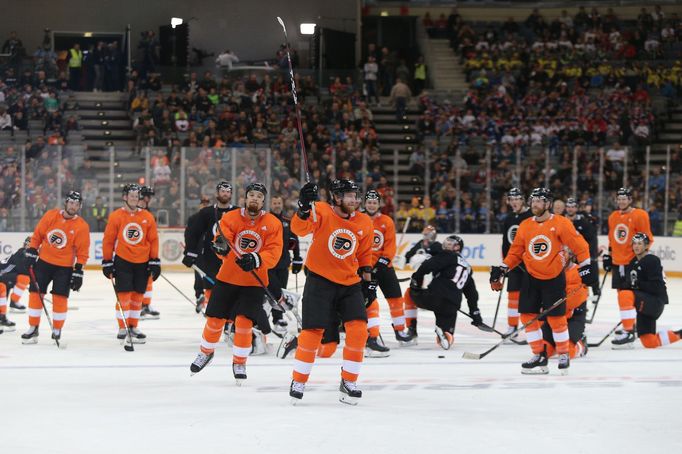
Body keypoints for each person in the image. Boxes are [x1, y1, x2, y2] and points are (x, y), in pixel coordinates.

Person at [490, 187, 596, 375]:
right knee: (527, 318)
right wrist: (503, 268)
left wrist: (587, 266)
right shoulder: (525, 225)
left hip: (554, 278)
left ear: (547, 204)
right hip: (531, 278)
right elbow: (515, 252)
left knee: (556, 319)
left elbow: (580, 246)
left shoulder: (561, 223)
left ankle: (563, 354)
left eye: (539, 201)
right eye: (533, 200)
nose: (534, 204)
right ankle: (538, 354)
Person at [288, 179, 374, 405]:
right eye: (348, 195)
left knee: (358, 331)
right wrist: (304, 208)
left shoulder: (364, 221)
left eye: (355, 195)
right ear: (336, 197)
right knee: (312, 332)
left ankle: (349, 381)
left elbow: (365, 254)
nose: (354, 199)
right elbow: (299, 228)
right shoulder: (322, 211)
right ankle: (299, 380)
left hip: (349, 283)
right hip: (320, 281)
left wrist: (368, 281)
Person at [189, 183, 282, 384]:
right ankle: (206, 352)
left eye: (259, 195)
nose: (255, 199)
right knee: (214, 320)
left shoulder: (272, 222)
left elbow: (274, 252)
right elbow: (223, 239)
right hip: (227, 278)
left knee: (244, 322)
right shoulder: (230, 217)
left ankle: (240, 361)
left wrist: (257, 259)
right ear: (245, 198)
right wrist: (220, 248)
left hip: (254, 283)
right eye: (251, 195)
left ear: (263, 200)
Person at [20, 191, 90, 343]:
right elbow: (37, 235)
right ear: (66, 203)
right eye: (71, 203)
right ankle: (33, 328)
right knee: (35, 294)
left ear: (79, 207)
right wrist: (32, 252)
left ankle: (57, 329)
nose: (73, 206)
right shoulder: (51, 215)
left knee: (60, 298)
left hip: (64, 268)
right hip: (43, 264)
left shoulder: (82, 226)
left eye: (76, 204)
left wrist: (78, 271)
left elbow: (82, 252)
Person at [102, 184, 160, 344]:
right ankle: (123, 327)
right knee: (124, 295)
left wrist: (155, 260)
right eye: (131, 195)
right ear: (125, 197)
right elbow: (108, 240)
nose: (134, 198)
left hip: (142, 262)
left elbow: (153, 239)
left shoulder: (147, 216)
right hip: (123, 261)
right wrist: (107, 261)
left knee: (137, 297)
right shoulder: (116, 216)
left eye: (137, 196)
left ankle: (133, 326)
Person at [404, 235, 483, 350]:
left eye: (451, 243)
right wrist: (475, 313)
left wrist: (416, 278)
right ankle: (446, 334)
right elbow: (472, 293)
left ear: (457, 248)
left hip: (435, 297)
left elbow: (428, 265)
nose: (447, 245)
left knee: (409, 294)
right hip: (452, 304)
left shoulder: (448, 255)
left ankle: (412, 330)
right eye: (447, 242)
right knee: (447, 333)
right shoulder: (468, 268)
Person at [363, 190, 415, 356]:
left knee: (396, 298)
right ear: (365, 203)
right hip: (364, 268)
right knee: (370, 302)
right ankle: (372, 336)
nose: (371, 205)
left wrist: (381, 263)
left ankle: (400, 330)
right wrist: (365, 267)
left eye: (374, 202)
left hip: (384, 267)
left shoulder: (386, 221)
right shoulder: (358, 219)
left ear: (379, 204)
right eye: (369, 202)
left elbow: (390, 246)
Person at [604, 187, 654, 345]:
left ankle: (630, 330)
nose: (621, 201)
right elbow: (612, 239)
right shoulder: (613, 216)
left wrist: (641, 259)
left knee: (631, 295)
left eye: (624, 199)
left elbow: (648, 238)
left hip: (632, 261)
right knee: (622, 295)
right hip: (617, 262)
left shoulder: (640, 215)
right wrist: (609, 256)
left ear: (630, 200)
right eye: (619, 199)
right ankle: (629, 324)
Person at [614, 233, 681, 349]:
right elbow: (631, 284)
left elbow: (656, 286)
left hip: (655, 302)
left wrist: (636, 285)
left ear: (646, 246)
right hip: (644, 304)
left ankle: (628, 331)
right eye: (634, 243)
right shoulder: (633, 262)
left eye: (640, 243)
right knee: (649, 342)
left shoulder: (652, 260)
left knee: (625, 295)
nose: (636, 246)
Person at [182, 181, 237, 314]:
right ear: (217, 193)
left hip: (232, 260)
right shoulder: (207, 213)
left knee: (232, 291)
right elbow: (194, 233)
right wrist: (190, 252)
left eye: (228, 191)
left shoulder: (237, 212)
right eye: (223, 191)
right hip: (210, 259)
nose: (225, 194)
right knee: (211, 290)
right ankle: (213, 317)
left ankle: (230, 321)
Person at [541, 253, 590, 359]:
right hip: (555, 317)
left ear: (570, 253)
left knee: (568, 352)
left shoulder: (579, 271)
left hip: (573, 318)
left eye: (564, 252)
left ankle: (581, 344)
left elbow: (574, 301)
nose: (561, 256)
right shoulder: (550, 271)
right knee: (544, 351)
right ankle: (556, 344)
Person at [267, 195, 302, 336]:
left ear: (282, 204)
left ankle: (278, 318)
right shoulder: (264, 220)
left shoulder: (288, 221)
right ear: (270, 204)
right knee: (267, 292)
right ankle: (262, 318)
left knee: (281, 292)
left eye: (279, 202)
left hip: (282, 263)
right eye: (274, 202)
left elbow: (295, 240)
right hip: (267, 264)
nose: (276, 205)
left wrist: (298, 258)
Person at [500, 188, 533, 337]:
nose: (513, 202)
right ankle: (512, 327)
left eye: (516, 199)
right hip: (513, 264)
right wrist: (505, 264)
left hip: (529, 264)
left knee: (531, 296)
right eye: (511, 199)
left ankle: (534, 327)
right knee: (512, 295)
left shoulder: (531, 216)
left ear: (523, 200)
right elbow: (505, 243)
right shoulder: (508, 218)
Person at [565, 197, 600, 298]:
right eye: (568, 206)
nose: (570, 209)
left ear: (577, 208)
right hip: (567, 256)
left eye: (573, 207)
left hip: (580, 256)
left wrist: (591, 254)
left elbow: (591, 239)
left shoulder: (584, 222)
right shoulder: (562, 221)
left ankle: (593, 292)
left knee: (586, 275)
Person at [137, 186, 161, 320]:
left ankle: (145, 305)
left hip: (147, 252)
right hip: (138, 253)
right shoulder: (138, 212)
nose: (150, 199)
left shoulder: (148, 212)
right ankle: (138, 306)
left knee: (149, 280)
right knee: (140, 281)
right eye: (149, 197)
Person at [6, 236, 32, 313]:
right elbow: (21, 270)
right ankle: (14, 302)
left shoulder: (25, 252)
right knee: (24, 278)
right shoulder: (22, 252)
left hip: (6, 275)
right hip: (3, 275)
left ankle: (13, 302)